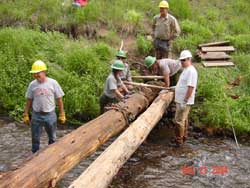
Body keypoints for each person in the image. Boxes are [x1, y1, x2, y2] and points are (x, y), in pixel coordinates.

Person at [23, 60, 66, 153]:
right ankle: (34, 159)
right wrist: (26, 113)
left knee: (53, 139)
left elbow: (59, 99)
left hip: (50, 115)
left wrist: (62, 113)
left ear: (44, 72)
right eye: (34, 74)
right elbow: (29, 100)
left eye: (38, 73)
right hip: (36, 115)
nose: (35, 76)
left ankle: (51, 156)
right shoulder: (32, 85)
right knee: (35, 140)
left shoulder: (53, 83)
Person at [174, 50, 198, 147]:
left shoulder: (191, 71)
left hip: (183, 101)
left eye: (183, 60)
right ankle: (183, 137)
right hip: (180, 100)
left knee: (179, 121)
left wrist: (185, 101)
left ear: (189, 59)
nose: (182, 62)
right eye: (181, 60)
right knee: (183, 120)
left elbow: (191, 87)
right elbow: (183, 84)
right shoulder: (186, 70)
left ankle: (179, 141)